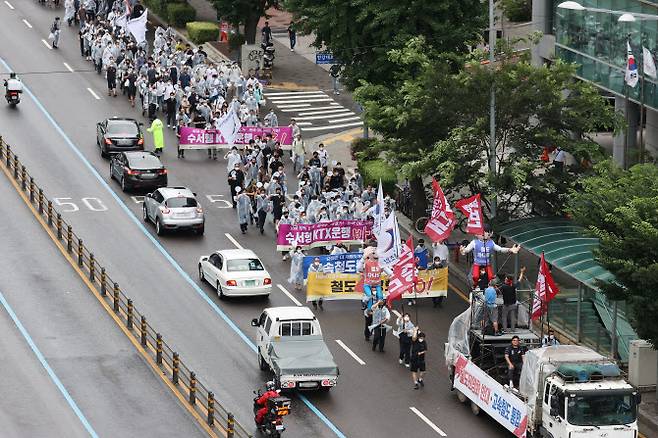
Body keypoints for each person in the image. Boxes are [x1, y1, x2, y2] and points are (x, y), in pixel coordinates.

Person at [460, 224, 520, 288]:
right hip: (477, 264)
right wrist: (463, 250)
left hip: (487, 265)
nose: (484, 236)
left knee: (491, 278)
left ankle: (487, 288)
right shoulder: (474, 242)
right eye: (482, 233)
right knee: (475, 276)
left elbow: (500, 249)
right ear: (476, 234)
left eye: (488, 234)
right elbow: (467, 249)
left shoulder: (491, 243)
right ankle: (475, 287)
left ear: (491, 234)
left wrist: (510, 249)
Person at [501, 268, 526, 332]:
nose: (505, 279)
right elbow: (519, 280)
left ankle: (505, 329)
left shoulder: (503, 286)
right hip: (513, 304)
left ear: (507, 280)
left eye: (506, 279)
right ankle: (513, 329)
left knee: (504, 317)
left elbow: (498, 290)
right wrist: (522, 272)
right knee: (512, 317)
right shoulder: (513, 286)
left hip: (506, 305)